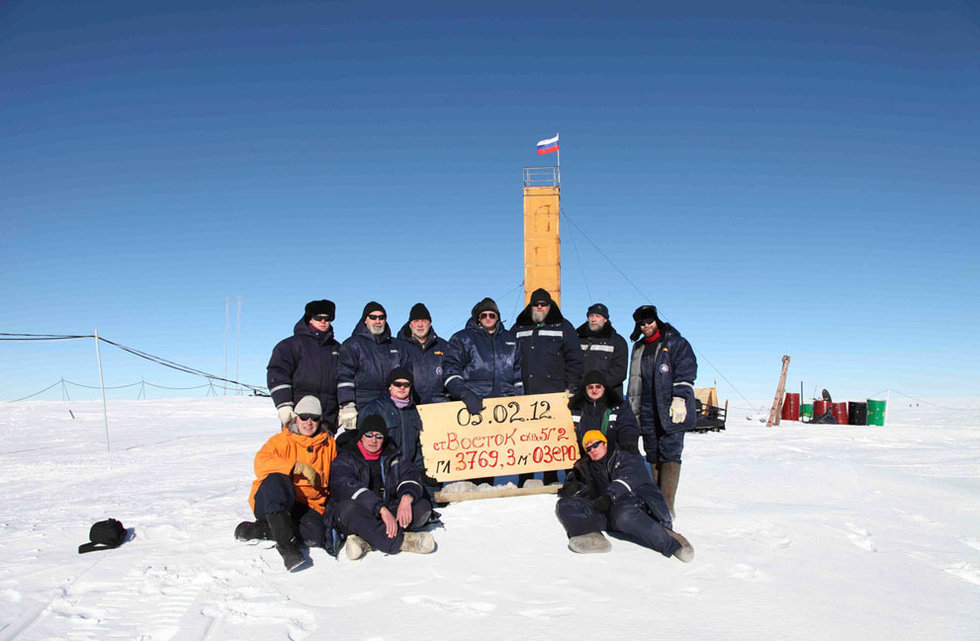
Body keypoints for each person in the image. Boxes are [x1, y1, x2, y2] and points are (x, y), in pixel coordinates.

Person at [555, 430, 693, 561]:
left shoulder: (625, 455)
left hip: (638, 504)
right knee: (565, 504)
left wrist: (609, 497)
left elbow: (628, 479)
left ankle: (673, 543)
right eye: (589, 448)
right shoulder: (589, 466)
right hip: (610, 509)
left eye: (596, 444)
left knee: (623, 514)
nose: (593, 449)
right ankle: (591, 536)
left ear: (605, 443)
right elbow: (586, 491)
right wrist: (572, 486)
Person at [235, 396, 338, 571]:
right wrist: (295, 467)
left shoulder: (328, 444)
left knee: (317, 535)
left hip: (307, 505)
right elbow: (260, 463)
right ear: (295, 417)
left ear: (320, 420)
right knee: (277, 479)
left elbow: (335, 476)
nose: (308, 422)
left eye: (314, 418)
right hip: (272, 500)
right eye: (304, 417)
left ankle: (260, 530)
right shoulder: (281, 440)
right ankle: (287, 547)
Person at [328, 415, 436, 560]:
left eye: (379, 436)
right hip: (360, 512)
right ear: (361, 436)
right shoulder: (346, 458)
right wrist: (380, 508)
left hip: (388, 509)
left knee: (422, 506)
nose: (374, 440)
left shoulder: (392, 454)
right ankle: (403, 542)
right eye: (369, 435)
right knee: (347, 508)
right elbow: (346, 487)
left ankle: (367, 540)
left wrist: (407, 497)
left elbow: (410, 474)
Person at [442, 297, 523, 486]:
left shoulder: (510, 340)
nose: (488, 318)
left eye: (492, 315)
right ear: (478, 318)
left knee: (497, 456)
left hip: (504, 407)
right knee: (476, 455)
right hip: (475, 406)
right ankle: (473, 496)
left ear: (497, 317)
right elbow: (450, 369)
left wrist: (520, 399)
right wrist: (464, 394)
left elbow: (518, 373)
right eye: (484, 315)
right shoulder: (463, 338)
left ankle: (489, 493)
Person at [626, 304, 697, 518]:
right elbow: (635, 381)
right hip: (646, 407)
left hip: (670, 406)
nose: (646, 325)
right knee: (653, 452)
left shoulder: (675, 343)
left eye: (649, 321)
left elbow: (686, 369)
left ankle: (667, 504)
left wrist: (679, 398)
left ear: (657, 321)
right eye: (642, 323)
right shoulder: (638, 348)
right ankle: (656, 500)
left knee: (670, 451)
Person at [512, 288, 583, 486]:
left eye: (544, 304)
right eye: (536, 304)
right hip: (525, 395)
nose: (540, 307)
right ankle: (525, 479)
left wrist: (572, 387)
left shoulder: (563, 327)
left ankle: (551, 478)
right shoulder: (519, 327)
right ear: (531, 306)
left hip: (554, 394)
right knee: (525, 439)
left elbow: (575, 360)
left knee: (551, 438)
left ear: (550, 306)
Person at [267, 299, 341, 432]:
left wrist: (344, 406)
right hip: (300, 416)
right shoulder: (290, 346)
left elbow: (344, 378)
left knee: (325, 451)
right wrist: (284, 405)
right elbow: (277, 374)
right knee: (297, 451)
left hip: (328, 417)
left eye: (328, 318)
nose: (323, 321)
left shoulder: (337, 348)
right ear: (310, 319)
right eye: (319, 317)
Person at [337, 301, 410, 431]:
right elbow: (344, 376)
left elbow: (406, 375)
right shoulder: (352, 344)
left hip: (390, 404)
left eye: (381, 317)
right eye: (373, 317)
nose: (378, 321)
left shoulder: (397, 346)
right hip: (363, 404)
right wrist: (347, 404)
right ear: (365, 320)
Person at [358, 367, 428, 485]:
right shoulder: (374, 409)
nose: (402, 387)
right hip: (383, 473)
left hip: (409, 472)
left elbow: (418, 445)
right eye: (397, 384)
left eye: (406, 384)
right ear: (390, 386)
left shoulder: (414, 411)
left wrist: (421, 471)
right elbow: (363, 443)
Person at [568, 369, 640, 456]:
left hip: (611, 457)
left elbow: (627, 427)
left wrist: (628, 444)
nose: (594, 390)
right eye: (590, 387)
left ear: (604, 388)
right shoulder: (574, 408)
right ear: (585, 389)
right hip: (581, 456)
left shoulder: (617, 407)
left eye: (598, 386)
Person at [396, 302, 450, 404]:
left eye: (424, 321)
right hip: (410, 405)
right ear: (410, 324)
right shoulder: (399, 346)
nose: (420, 325)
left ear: (430, 323)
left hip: (438, 404)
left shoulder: (443, 346)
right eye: (416, 321)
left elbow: (451, 372)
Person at [576, 303, 629, 400]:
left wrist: (597, 387)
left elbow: (620, 372)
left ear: (605, 320)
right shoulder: (577, 340)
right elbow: (572, 365)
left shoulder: (618, 342)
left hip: (609, 398)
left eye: (598, 316)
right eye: (591, 316)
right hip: (582, 397)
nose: (594, 319)